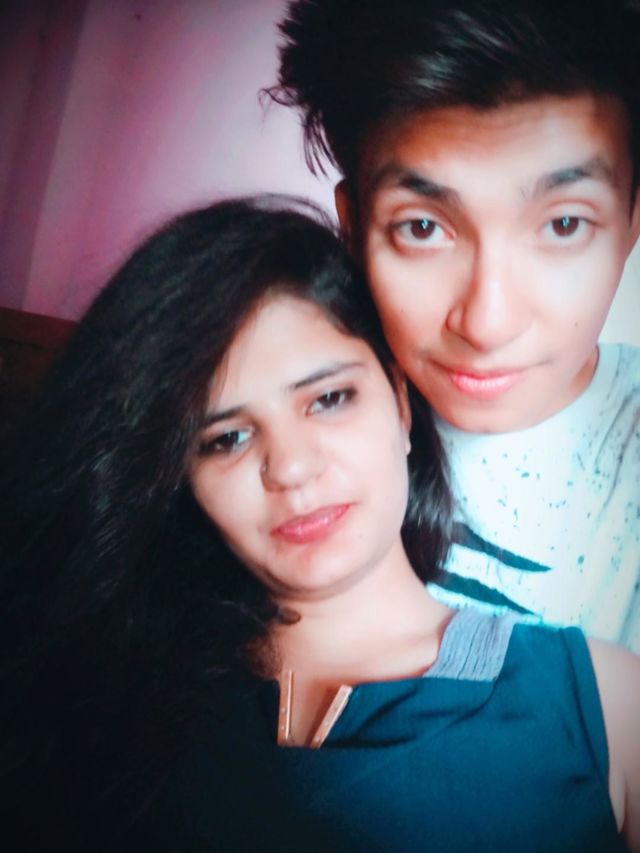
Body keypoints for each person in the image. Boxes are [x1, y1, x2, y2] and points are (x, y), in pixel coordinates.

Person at [0, 196, 637, 851]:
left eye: (329, 399)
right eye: (227, 438)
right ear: (181, 478)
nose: (292, 468)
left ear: (400, 404)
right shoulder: (113, 696)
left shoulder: (608, 706)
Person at [269, 0, 640, 651]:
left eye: (563, 224)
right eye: (422, 228)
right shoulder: (287, 432)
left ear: (632, 223)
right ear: (353, 228)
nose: (487, 324)